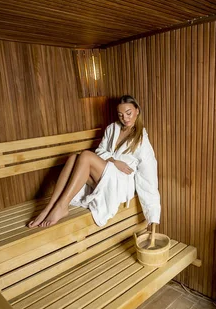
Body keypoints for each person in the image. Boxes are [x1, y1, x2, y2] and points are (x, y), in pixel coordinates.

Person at [27, 95, 161, 231]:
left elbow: (149, 179)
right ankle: (49, 207)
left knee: (85, 155)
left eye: (128, 113)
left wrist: (153, 216)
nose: (125, 118)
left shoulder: (142, 140)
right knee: (74, 157)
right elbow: (100, 151)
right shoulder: (112, 129)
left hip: (120, 182)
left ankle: (62, 206)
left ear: (137, 110)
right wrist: (114, 161)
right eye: (120, 115)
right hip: (107, 174)